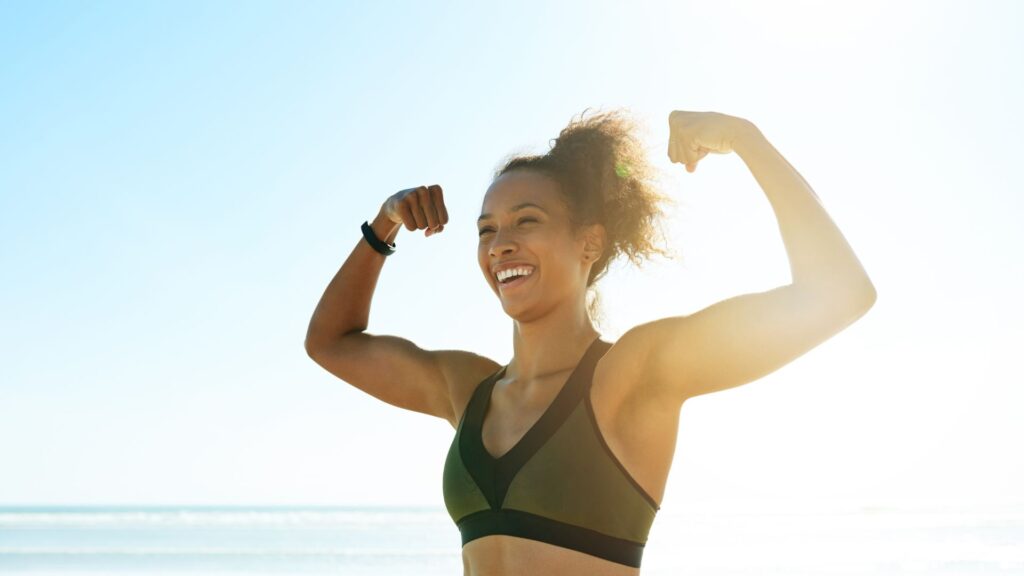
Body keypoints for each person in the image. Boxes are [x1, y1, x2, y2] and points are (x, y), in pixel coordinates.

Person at [304, 109, 877, 575]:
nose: (500, 244)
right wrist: (385, 223)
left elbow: (838, 293)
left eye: (527, 221)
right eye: (486, 230)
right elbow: (330, 342)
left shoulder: (634, 374)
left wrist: (746, 138)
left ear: (590, 242)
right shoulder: (467, 389)